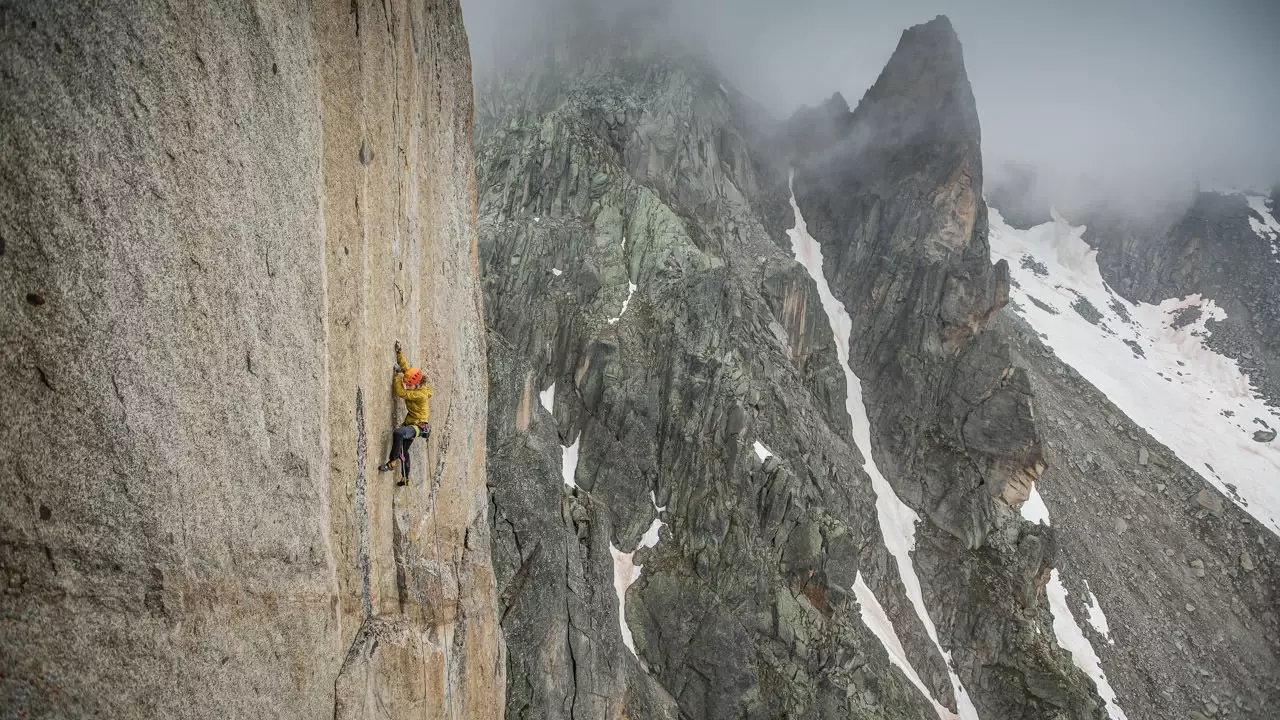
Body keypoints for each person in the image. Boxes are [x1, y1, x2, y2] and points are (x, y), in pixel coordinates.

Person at [378, 340, 433, 484]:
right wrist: (399, 352)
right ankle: (405, 478)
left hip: (419, 427)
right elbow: (405, 368)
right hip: (412, 424)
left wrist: (397, 377)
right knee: (403, 449)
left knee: (399, 433)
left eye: (408, 384)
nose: (406, 385)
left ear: (416, 384)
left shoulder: (420, 394)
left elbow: (401, 393)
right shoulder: (415, 382)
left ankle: (392, 463)